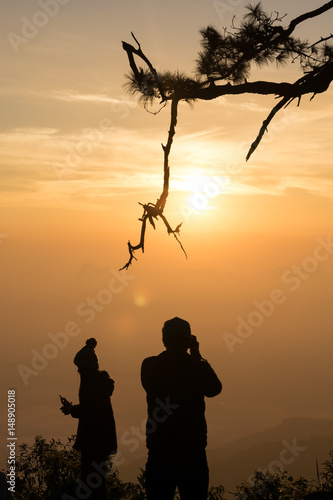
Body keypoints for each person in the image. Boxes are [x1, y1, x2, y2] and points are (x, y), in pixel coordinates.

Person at [141, 317, 222, 500]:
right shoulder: (198, 367)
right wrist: (196, 355)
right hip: (192, 452)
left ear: (163, 341)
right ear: (188, 340)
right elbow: (214, 389)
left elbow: (150, 385)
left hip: (160, 451)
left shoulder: (150, 365)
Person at [60, 340, 117, 500]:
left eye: (80, 367)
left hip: (94, 442)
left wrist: (73, 409)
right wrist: (73, 409)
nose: (78, 371)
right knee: (96, 483)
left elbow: (90, 412)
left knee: (92, 484)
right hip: (100, 441)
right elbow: (92, 408)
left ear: (86, 368)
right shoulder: (97, 383)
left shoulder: (92, 385)